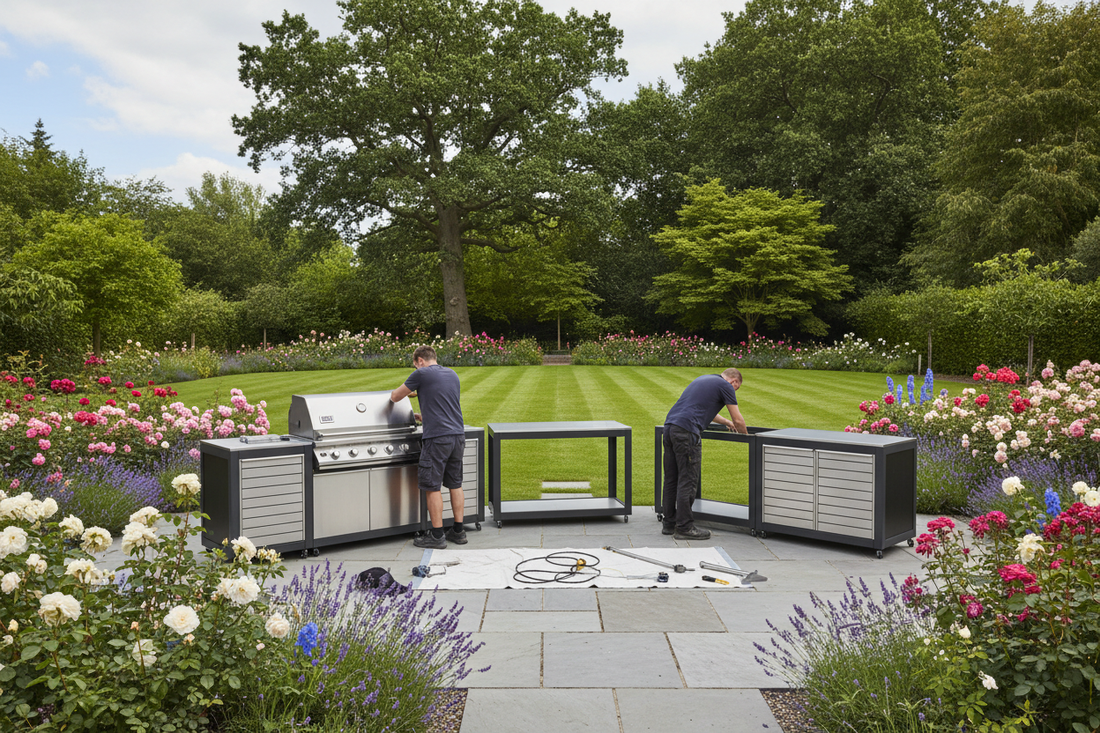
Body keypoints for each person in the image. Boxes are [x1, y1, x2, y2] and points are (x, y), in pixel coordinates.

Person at [391, 345, 467, 549]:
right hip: (457, 436)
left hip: (437, 439)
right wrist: (422, 416)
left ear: (420, 360)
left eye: (415, 365)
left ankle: (436, 535)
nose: (416, 368)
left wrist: (408, 391)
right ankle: (458, 531)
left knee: (432, 486)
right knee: (455, 483)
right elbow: (443, 404)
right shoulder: (452, 374)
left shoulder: (421, 374)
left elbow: (395, 396)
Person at [662, 368, 747, 540]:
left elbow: (706, 410)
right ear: (734, 382)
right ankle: (684, 527)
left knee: (671, 479)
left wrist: (726, 422)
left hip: (670, 428)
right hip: (687, 432)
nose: (734, 391)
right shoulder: (726, 386)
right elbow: (738, 419)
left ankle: (669, 523)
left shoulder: (704, 379)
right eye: (736, 388)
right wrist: (746, 436)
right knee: (687, 480)